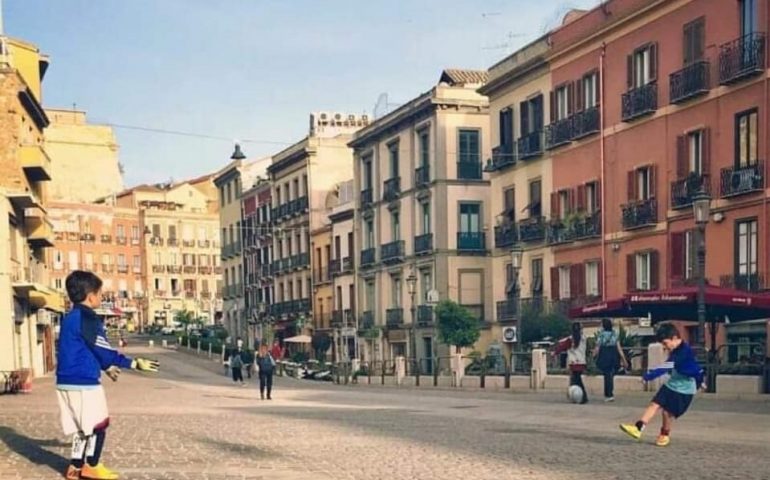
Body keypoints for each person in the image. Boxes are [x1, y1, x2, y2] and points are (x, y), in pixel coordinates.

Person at [57, 271, 159, 480]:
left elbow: (84, 349)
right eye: (100, 293)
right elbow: (102, 349)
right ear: (91, 296)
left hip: (65, 381)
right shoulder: (89, 318)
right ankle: (92, 466)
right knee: (98, 424)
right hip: (85, 382)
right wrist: (133, 363)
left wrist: (106, 368)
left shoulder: (69, 318)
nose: (102, 297)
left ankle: (75, 467)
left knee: (81, 427)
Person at [620, 323, 705, 447]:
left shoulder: (683, 352)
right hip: (672, 384)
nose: (665, 347)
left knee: (666, 413)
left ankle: (665, 434)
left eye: (665, 343)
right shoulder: (677, 350)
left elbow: (666, 367)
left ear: (675, 338)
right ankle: (638, 428)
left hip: (684, 389)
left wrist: (648, 376)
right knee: (654, 404)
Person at [593, 318, 629, 402]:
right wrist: (624, 360)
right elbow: (619, 348)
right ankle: (610, 393)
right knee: (610, 374)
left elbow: (597, 347)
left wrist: (593, 355)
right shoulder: (614, 334)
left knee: (606, 375)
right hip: (613, 355)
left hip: (604, 355)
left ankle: (608, 394)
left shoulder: (601, 335)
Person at [553, 322, 588, 404]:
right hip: (582, 362)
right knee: (577, 380)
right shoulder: (584, 338)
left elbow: (562, 347)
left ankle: (581, 397)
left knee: (576, 381)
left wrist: (554, 353)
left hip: (573, 363)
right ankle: (579, 396)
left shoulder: (570, 339)